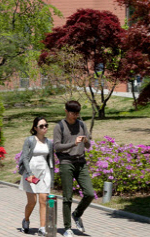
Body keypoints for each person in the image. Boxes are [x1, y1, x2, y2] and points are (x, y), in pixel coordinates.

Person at [53, 100, 94, 236]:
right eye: (73, 113)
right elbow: (57, 146)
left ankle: (77, 214)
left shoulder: (82, 125)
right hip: (66, 162)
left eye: (77, 113)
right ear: (66, 111)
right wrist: (72, 143)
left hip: (81, 162)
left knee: (89, 193)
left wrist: (86, 141)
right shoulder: (60, 126)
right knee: (67, 197)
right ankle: (67, 228)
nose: (75, 116)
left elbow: (88, 146)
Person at [19, 117, 54, 236]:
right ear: (35, 128)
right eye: (41, 126)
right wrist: (29, 173)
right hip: (31, 172)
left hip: (44, 172)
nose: (44, 128)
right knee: (32, 201)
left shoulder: (49, 142)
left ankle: (42, 227)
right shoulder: (29, 140)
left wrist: (52, 177)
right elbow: (24, 157)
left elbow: (51, 160)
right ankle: (26, 219)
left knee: (43, 200)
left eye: (46, 125)